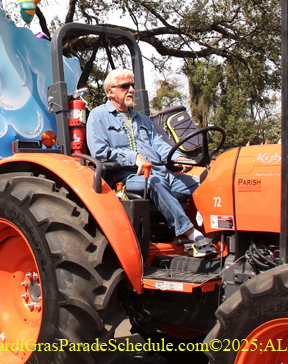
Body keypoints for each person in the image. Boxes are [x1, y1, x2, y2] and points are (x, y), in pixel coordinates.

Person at [87, 68, 217, 258]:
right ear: (110, 91)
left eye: (132, 85)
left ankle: (218, 233)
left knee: (200, 186)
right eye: (125, 86)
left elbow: (160, 147)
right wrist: (134, 157)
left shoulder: (143, 119)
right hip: (128, 177)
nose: (131, 90)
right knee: (155, 182)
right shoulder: (98, 116)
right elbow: (99, 152)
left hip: (161, 172)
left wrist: (182, 159)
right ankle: (190, 234)